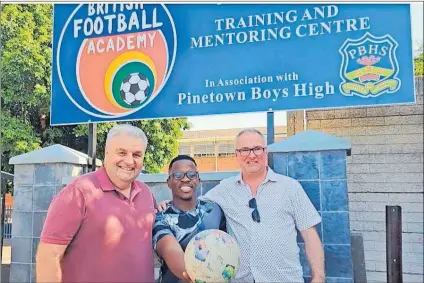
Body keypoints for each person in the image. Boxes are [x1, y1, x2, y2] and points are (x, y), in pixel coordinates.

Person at [159, 128, 325, 283]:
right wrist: (168, 204)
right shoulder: (225, 189)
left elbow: (310, 235)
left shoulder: (290, 187)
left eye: (257, 148)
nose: (251, 155)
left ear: (265, 152)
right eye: (244, 150)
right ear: (237, 155)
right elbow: (192, 200)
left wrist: (318, 277)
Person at [36, 124, 157, 283]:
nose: (129, 161)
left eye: (136, 154)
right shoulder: (78, 193)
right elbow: (48, 257)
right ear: (106, 152)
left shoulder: (146, 193)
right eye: (121, 152)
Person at [153, 155, 226, 283]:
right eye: (178, 175)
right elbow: (169, 248)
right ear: (169, 182)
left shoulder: (215, 211)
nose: (186, 179)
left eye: (191, 174)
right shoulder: (161, 217)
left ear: (198, 179)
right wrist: (196, 278)